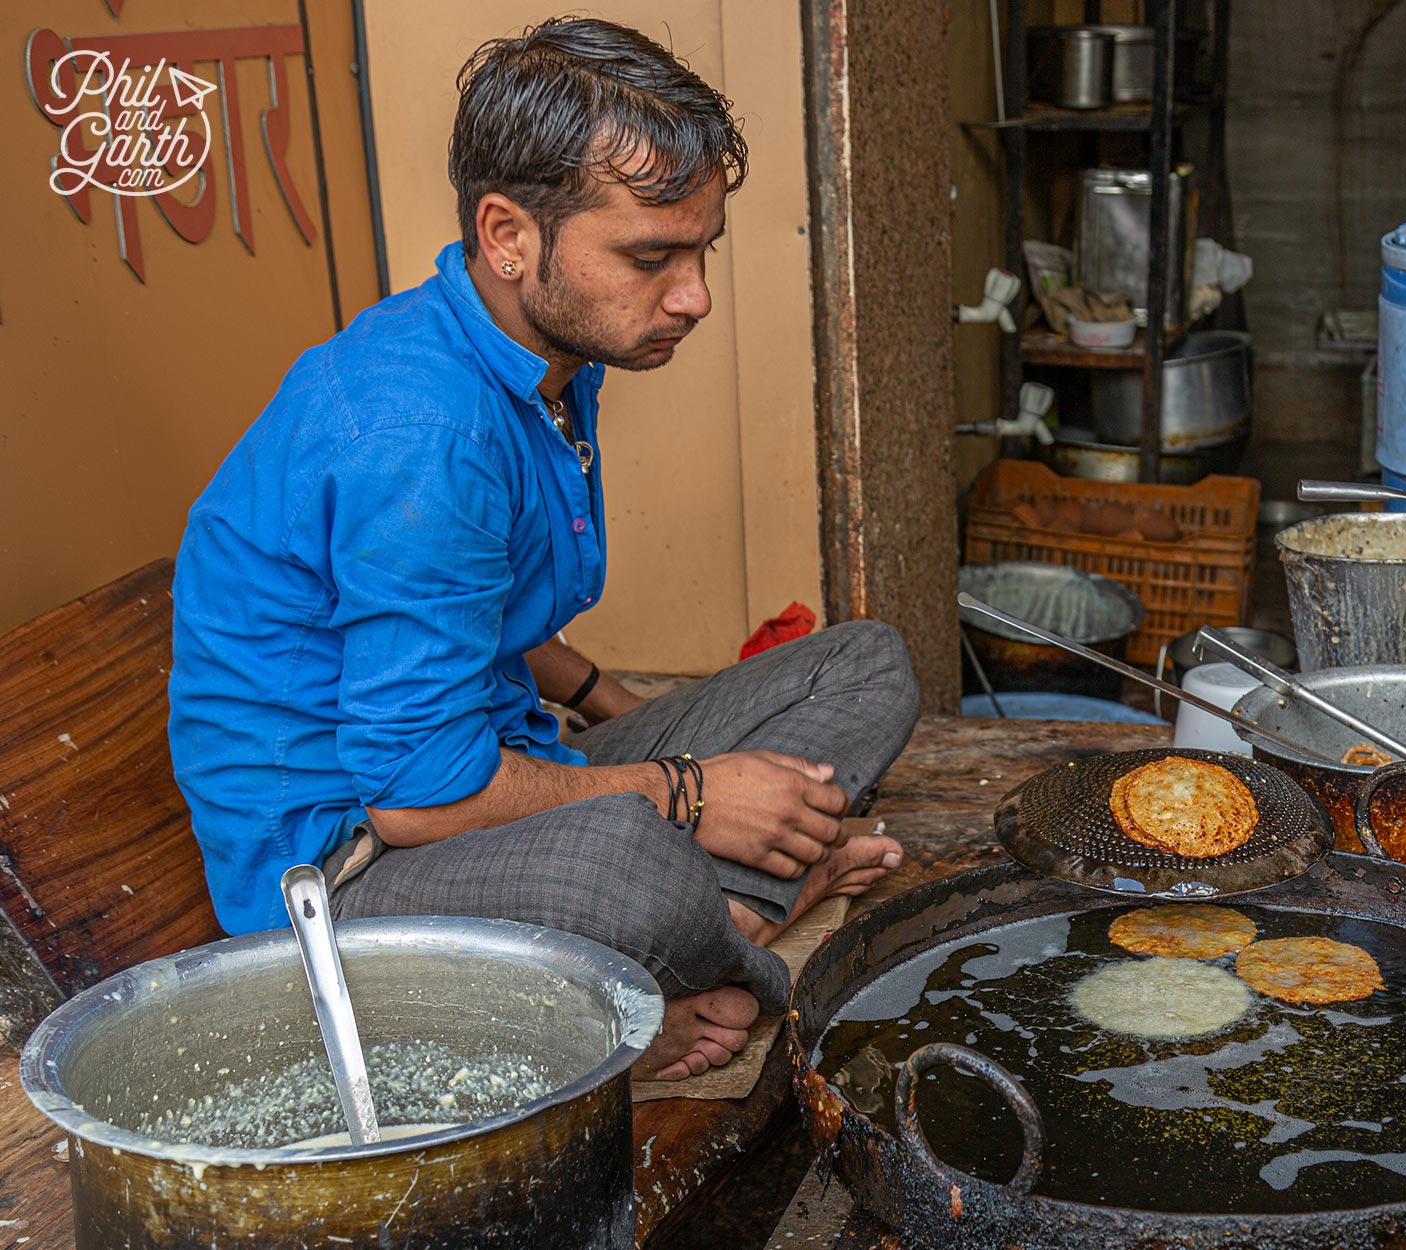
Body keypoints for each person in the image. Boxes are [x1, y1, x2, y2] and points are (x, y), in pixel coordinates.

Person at [166, 16, 917, 1081]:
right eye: (651, 256)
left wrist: (619, 709)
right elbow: (418, 793)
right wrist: (695, 789)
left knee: (865, 660)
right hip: (352, 871)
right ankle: (721, 946)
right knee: (632, 860)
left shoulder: (545, 351)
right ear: (508, 234)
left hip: (501, 761)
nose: (693, 293)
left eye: (700, 250)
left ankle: (715, 929)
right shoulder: (424, 436)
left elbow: (486, 604)